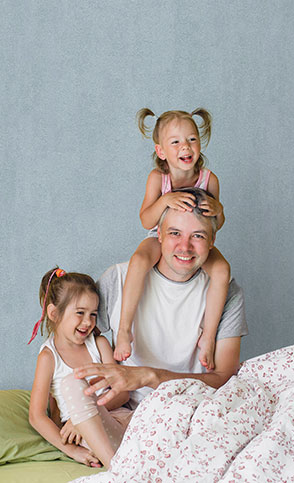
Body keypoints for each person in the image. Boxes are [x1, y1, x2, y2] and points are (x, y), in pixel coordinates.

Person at [71, 189, 247, 412]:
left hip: (195, 411)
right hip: (126, 410)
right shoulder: (119, 279)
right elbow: (74, 342)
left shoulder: (226, 292)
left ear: (212, 241)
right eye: (175, 233)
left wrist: (150, 377)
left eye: (198, 236)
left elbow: (223, 379)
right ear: (159, 234)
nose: (185, 247)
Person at [113, 108, 231, 372]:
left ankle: (208, 336)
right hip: (160, 237)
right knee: (139, 260)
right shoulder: (159, 179)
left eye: (192, 139)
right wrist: (165, 200)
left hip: (197, 240)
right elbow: (146, 220)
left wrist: (218, 210)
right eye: (175, 142)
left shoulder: (209, 179)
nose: (185, 146)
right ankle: (124, 329)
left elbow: (218, 225)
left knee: (222, 270)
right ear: (161, 151)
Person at [28, 268, 133, 468]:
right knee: (73, 383)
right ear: (54, 313)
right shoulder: (49, 357)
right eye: (80, 313)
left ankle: (136, 460)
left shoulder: (99, 344)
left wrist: (83, 416)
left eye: (93, 314)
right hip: (89, 434)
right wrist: (71, 450)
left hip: (119, 421)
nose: (88, 322)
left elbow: (122, 393)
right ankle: (119, 469)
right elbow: (36, 416)